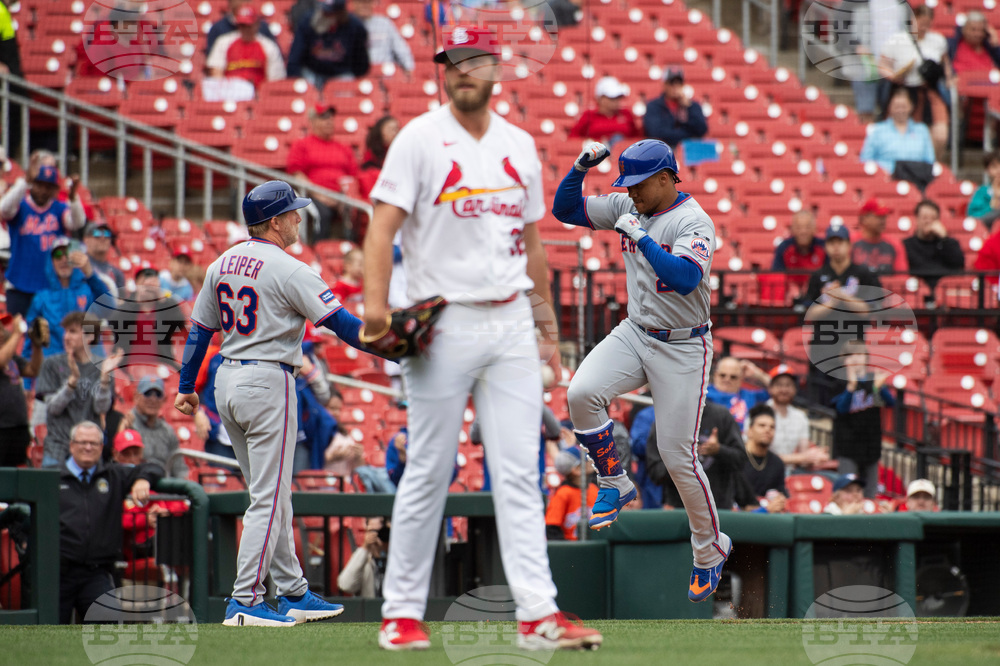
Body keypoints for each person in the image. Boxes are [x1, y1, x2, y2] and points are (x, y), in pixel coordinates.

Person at [362, 25, 601, 650]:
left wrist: (546, 323)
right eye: (453, 61)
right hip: (442, 322)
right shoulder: (418, 139)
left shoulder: (519, 144)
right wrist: (375, 309)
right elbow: (380, 226)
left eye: (474, 60)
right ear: (444, 70)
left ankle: (538, 614)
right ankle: (401, 614)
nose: (463, 70)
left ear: (496, 68)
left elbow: (532, 241)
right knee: (430, 470)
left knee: (522, 472)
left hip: (511, 319)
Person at [175, 180, 376, 627]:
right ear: (273, 222)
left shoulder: (222, 261)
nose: (298, 218)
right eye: (292, 213)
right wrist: (395, 348)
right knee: (268, 497)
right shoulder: (290, 268)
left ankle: (294, 591)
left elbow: (199, 330)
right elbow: (341, 325)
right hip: (268, 379)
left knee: (269, 493)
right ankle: (244, 599)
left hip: (226, 380)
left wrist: (187, 385)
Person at [552, 136, 733, 603]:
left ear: (666, 178)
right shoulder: (628, 206)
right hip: (636, 331)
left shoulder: (693, 220)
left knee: (678, 458)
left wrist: (643, 238)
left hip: (684, 346)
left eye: (639, 184)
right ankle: (613, 479)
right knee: (580, 392)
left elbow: (686, 277)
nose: (630, 192)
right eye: (626, 184)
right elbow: (565, 210)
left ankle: (709, 549)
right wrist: (578, 168)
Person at [58, 420, 163, 624]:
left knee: (108, 630)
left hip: (96, 572)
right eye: (82, 442)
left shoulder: (113, 475)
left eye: (94, 443)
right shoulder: (52, 477)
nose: (88, 447)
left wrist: (143, 479)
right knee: (48, 630)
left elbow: (154, 467)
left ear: (101, 447)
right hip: (58, 573)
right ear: (71, 445)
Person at [36, 313, 122, 468]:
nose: (66, 337)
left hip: (89, 451)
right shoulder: (51, 364)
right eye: (66, 331)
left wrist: (104, 379)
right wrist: (72, 382)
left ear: (89, 337)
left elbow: (101, 408)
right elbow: (53, 408)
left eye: (73, 332)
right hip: (57, 450)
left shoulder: (102, 367)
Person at [0, 165, 86, 316]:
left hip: (50, 285)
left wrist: (73, 198)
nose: (43, 190)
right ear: (33, 184)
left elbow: (77, 223)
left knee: (48, 334)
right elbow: (4, 210)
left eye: (49, 186)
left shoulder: (59, 208)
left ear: (54, 189)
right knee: (19, 332)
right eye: (39, 185)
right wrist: (24, 183)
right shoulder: (21, 206)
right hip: (19, 283)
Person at [878, 5, 951, 156]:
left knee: (940, 135)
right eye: (921, 22)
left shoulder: (937, 40)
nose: (924, 27)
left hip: (929, 89)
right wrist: (893, 76)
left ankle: (932, 167)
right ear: (913, 19)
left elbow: (946, 63)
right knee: (909, 131)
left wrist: (949, 77)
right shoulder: (897, 40)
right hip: (905, 90)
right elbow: (883, 65)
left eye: (927, 23)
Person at [647, 401, 744, 512]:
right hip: (678, 510)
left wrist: (719, 450)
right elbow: (655, 472)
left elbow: (741, 460)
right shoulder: (666, 420)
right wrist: (681, 458)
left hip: (719, 509)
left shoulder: (721, 415)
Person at [24, 238, 111, 358]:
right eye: (58, 255)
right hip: (54, 365)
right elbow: (31, 339)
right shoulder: (41, 298)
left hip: (86, 362)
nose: (64, 259)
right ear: (51, 262)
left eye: (68, 255)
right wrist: (29, 374)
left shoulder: (89, 290)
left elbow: (109, 308)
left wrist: (90, 273)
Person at [287, 104, 360, 242]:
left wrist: (345, 197)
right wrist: (321, 195)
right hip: (313, 194)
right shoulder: (302, 145)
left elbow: (353, 177)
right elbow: (297, 175)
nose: (329, 121)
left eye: (331, 118)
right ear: (312, 121)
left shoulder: (343, 148)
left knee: (354, 211)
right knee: (322, 213)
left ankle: (350, 250)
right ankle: (318, 253)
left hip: (340, 196)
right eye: (324, 118)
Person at [831, 341, 895, 499]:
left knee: (870, 493)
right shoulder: (839, 382)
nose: (855, 360)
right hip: (848, 446)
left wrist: (878, 388)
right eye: (851, 356)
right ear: (843, 360)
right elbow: (841, 409)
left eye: (860, 355)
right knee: (846, 490)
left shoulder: (874, 379)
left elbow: (890, 403)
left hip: (871, 446)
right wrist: (851, 387)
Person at [287, 0, 370, 89]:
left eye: (329, 12)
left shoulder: (355, 27)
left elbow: (361, 65)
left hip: (341, 74)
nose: (324, 14)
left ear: (340, 13)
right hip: (313, 73)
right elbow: (295, 59)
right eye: (323, 10)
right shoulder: (307, 21)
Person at [848, 0, 907, 124]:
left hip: (891, 65)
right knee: (866, 111)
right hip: (866, 64)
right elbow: (839, 24)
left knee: (891, 112)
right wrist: (855, 46)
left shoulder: (901, 4)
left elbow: (907, 31)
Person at [119, 375, 187, 478]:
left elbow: (179, 469)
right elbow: (121, 464)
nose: (153, 399)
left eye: (158, 394)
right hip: (136, 485)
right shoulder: (127, 424)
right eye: (148, 393)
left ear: (163, 400)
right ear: (136, 396)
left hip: (164, 489)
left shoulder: (167, 431)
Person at [0, 313, 44, 466]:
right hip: (1, 428)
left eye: (2, 328)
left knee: (15, 475)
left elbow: (33, 370)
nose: (1, 332)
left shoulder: (11, 356)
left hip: (18, 426)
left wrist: (36, 346)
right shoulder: (5, 355)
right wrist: (18, 333)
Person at [206, 4, 286, 89]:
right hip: (229, 93)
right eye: (242, 25)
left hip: (258, 95)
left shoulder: (268, 46)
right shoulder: (224, 42)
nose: (245, 29)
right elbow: (215, 73)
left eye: (248, 26)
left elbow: (275, 80)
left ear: (257, 24)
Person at [766, 365, 828, 472]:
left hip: (792, 473)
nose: (784, 390)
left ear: (795, 389)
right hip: (765, 472)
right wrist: (802, 457)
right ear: (770, 388)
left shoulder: (800, 417)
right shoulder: (760, 413)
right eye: (779, 385)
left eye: (788, 385)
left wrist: (815, 456)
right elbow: (759, 456)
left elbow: (804, 454)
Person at [859, 89, 935, 177]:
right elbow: (865, 160)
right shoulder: (878, 130)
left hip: (916, 180)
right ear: (890, 107)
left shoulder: (922, 130)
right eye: (897, 106)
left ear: (911, 106)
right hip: (885, 180)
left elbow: (930, 161)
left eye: (903, 106)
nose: (900, 110)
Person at [903, 199, 964, 288]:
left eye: (933, 218)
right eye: (924, 218)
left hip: (945, 292)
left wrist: (944, 238)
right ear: (916, 219)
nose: (928, 221)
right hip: (917, 293)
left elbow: (959, 264)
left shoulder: (949, 243)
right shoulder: (906, 245)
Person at [642, 67, 708, 149]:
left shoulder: (693, 106)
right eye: (671, 83)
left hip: (688, 151)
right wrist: (687, 134)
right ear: (664, 84)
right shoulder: (653, 106)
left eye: (679, 83)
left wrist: (688, 107)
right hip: (661, 150)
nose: (675, 87)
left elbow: (701, 129)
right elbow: (655, 132)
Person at [568, 76, 641, 149]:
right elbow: (574, 138)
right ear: (600, 99)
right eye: (612, 98)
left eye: (618, 97)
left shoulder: (626, 114)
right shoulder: (588, 115)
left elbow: (636, 138)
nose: (616, 101)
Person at [545, 448, 598, 540]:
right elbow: (552, 528)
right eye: (587, 459)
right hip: (571, 547)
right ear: (577, 469)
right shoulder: (563, 493)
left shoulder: (594, 489)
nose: (590, 462)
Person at [705, 356, 771, 429]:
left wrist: (757, 373)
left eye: (733, 377)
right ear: (715, 375)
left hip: (742, 438)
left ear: (741, 379)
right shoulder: (705, 393)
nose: (727, 379)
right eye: (722, 375)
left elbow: (775, 390)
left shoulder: (748, 395)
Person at [351, 0, 414, 75]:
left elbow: (401, 49)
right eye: (361, 2)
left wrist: (408, 67)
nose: (364, 6)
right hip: (356, 75)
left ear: (372, 4)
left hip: (384, 74)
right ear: (354, 4)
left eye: (367, 2)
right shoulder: (346, 26)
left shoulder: (384, 23)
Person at [771, 210, 825, 294]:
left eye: (807, 227)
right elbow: (776, 277)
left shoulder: (823, 247)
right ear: (792, 229)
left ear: (814, 229)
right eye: (799, 227)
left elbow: (830, 276)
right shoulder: (783, 248)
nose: (803, 232)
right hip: (789, 298)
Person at [739, 404, 787, 499]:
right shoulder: (736, 458)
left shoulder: (777, 463)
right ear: (749, 431)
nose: (767, 430)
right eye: (762, 425)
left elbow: (782, 494)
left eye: (772, 427)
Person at [850, 198, 908, 275]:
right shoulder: (851, 241)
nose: (883, 221)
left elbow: (901, 278)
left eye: (884, 217)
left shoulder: (894, 244)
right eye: (879, 216)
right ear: (864, 218)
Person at [337, 516, 388, 597]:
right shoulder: (362, 560)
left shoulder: (396, 559)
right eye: (373, 531)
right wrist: (365, 547)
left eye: (382, 532)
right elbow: (345, 585)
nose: (377, 535)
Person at [204, 0, 277, 55]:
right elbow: (214, 65)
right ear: (230, 3)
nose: (242, 2)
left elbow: (274, 61)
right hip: (229, 72)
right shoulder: (218, 29)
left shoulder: (263, 27)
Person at [947, 11, 1000, 80]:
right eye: (973, 30)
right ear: (964, 30)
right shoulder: (953, 46)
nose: (978, 34)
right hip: (962, 85)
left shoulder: (990, 48)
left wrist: (996, 47)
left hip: (988, 85)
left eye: (981, 30)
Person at [359, 116, 400, 201]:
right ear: (380, 132)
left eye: (397, 129)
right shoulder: (371, 157)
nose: (394, 133)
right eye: (390, 129)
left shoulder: (402, 153)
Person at [82, 222, 125, 297]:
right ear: (86, 239)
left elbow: (120, 303)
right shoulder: (80, 266)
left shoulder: (116, 273)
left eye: (107, 234)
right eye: (97, 233)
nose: (103, 238)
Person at [967, 150, 1000, 230]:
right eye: (994, 167)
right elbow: (973, 217)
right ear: (987, 170)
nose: (999, 170)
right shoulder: (982, 192)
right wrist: (992, 205)